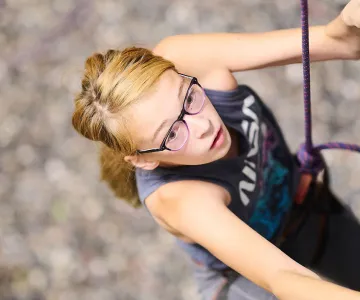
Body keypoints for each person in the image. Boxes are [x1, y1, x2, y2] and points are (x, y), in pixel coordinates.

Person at [71, 1, 360, 299]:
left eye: (189, 99)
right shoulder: (178, 198)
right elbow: (281, 276)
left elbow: (338, 41)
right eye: (172, 133)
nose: (203, 126)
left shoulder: (184, 59)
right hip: (238, 280)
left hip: (292, 203)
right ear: (144, 160)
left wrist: (349, 21)